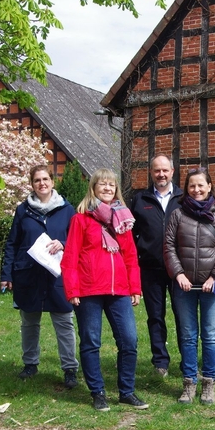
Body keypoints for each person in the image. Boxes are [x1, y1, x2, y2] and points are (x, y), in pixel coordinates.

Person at [61, 168, 148, 412]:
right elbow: (70, 258)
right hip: (88, 289)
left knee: (129, 340)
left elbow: (131, 256)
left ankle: (126, 391)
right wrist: (72, 290)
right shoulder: (80, 219)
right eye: (103, 185)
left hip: (119, 289)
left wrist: (135, 288)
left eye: (111, 185)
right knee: (91, 342)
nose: (108, 189)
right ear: (94, 189)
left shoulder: (123, 220)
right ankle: (97, 392)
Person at [1, 165, 79, 389]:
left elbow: (76, 241)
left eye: (45, 179)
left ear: (53, 182)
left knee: (64, 322)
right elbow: (12, 244)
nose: (42, 183)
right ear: (32, 184)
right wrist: (6, 273)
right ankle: (30, 364)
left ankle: (69, 369)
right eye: (37, 180)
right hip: (29, 275)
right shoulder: (23, 210)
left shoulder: (67, 210)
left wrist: (63, 243)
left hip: (58, 275)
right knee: (29, 322)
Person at [164, 167, 215, 405]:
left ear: (209, 186)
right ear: (186, 189)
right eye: (192, 186)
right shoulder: (177, 215)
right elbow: (169, 247)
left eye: (201, 185)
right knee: (187, 335)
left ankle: (209, 383)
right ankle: (188, 382)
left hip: (211, 285)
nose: (196, 189)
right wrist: (178, 274)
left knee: (211, 335)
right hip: (184, 286)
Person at [130, 154, 183, 378]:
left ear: (172, 172)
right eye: (156, 171)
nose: (161, 174)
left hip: (180, 269)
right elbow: (131, 236)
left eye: (165, 170)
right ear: (151, 173)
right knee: (155, 316)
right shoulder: (140, 199)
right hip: (150, 268)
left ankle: (187, 361)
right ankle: (160, 361)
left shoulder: (183, 198)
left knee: (184, 317)